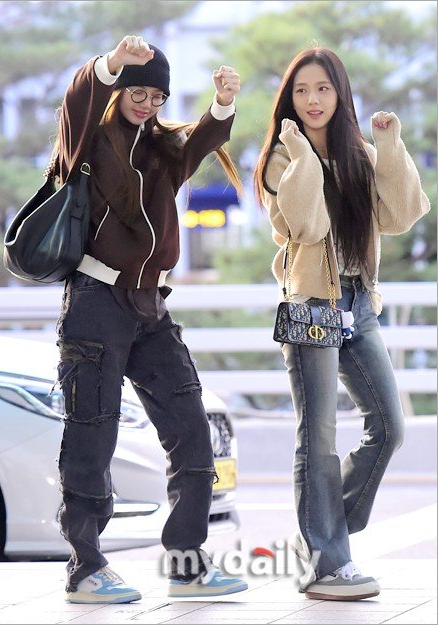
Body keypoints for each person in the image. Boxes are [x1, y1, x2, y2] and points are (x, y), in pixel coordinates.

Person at [53, 34, 248, 604]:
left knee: (191, 427)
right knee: (93, 433)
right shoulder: (88, 140)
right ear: (120, 91)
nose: (147, 103)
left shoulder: (163, 149)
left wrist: (223, 103)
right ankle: (85, 569)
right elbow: (79, 100)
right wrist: (111, 64)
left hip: (150, 307)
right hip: (96, 302)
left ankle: (187, 563)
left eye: (157, 96)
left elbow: (204, 139)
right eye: (137, 92)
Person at [254, 47, 430, 601]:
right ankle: (327, 562)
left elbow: (401, 214)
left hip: (358, 303)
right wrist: (303, 156)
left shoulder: (359, 154)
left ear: (340, 94)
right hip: (310, 304)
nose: (313, 99)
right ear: (290, 98)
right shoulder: (280, 158)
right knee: (319, 435)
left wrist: (389, 146)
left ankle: (324, 535)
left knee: (390, 426)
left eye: (323, 88)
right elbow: (305, 226)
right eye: (302, 90)